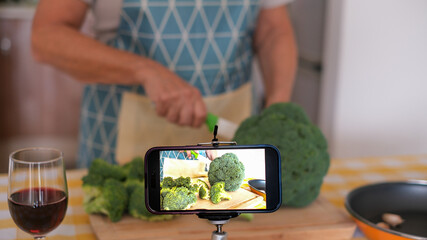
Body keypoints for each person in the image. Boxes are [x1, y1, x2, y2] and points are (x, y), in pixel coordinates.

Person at [31, 0, 297, 167]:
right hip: (121, 146)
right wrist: (144, 69)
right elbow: (46, 37)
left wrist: (277, 108)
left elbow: (274, 29)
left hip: (227, 138)